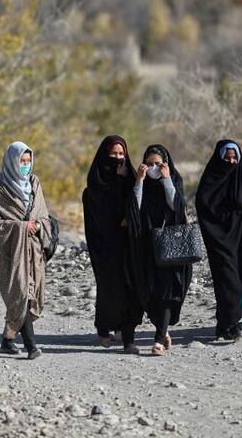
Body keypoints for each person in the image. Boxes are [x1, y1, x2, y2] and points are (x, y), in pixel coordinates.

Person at [0, 141, 52, 360]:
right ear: (11, 161)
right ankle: (32, 346)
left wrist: (39, 226)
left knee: (31, 295)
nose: (25, 165)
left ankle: (8, 339)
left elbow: (43, 214)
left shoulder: (34, 183)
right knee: (21, 294)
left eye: (28, 161)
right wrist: (23, 227)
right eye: (21, 161)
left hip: (33, 250)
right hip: (11, 252)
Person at [126, 144, 192, 356]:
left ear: (165, 164)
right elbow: (133, 209)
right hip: (145, 245)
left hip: (170, 246)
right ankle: (162, 331)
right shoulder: (139, 182)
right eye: (150, 164)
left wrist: (166, 180)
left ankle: (158, 339)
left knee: (166, 292)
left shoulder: (174, 180)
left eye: (158, 164)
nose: (153, 168)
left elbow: (177, 207)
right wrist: (139, 182)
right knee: (149, 292)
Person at [196, 140, 242, 341]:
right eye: (227, 158)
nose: (231, 161)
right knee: (228, 281)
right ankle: (232, 323)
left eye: (235, 158)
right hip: (219, 240)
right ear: (219, 158)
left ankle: (224, 325)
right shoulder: (210, 181)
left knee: (240, 280)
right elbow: (204, 206)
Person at [82, 135, 143, 354]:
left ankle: (128, 337)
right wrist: (117, 181)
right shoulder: (95, 184)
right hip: (105, 247)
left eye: (121, 154)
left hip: (128, 245)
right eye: (113, 154)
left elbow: (137, 203)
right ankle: (103, 327)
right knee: (109, 288)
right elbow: (105, 211)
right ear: (103, 155)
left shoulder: (131, 178)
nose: (118, 159)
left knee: (131, 287)